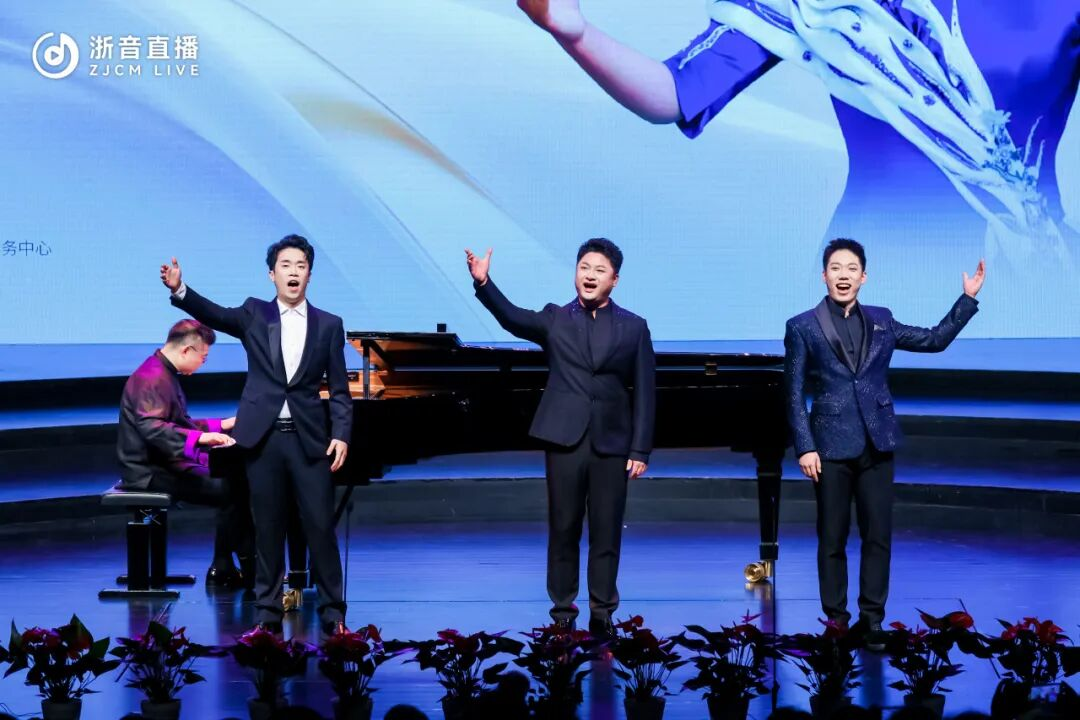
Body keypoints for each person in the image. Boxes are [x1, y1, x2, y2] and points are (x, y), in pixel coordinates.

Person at [784, 238, 985, 646]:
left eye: (851, 269)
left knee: (878, 536)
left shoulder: (882, 320)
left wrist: (966, 300)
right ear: (824, 276)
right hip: (829, 447)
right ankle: (837, 622)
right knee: (832, 538)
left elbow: (933, 340)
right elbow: (792, 392)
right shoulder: (802, 326)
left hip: (878, 443)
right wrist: (805, 446)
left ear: (864, 276)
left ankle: (872, 619)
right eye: (836, 268)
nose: (843, 276)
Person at [160, 234, 352, 635]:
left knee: (320, 526)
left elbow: (339, 389)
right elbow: (215, 315)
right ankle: (267, 612)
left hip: (309, 439)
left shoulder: (330, 325)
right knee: (267, 527)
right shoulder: (254, 313)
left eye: (301, 266)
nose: (293, 272)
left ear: (310, 275)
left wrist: (342, 434)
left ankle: (333, 612)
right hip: (263, 439)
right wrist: (180, 289)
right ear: (272, 274)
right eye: (286, 265)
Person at [465, 238, 655, 637]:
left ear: (614, 280)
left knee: (606, 530)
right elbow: (511, 317)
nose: (590, 275)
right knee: (564, 527)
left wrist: (640, 448)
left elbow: (645, 391)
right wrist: (484, 283)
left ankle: (602, 610)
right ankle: (563, 610)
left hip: (612, 442)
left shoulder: (634, 327)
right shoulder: (555, 318)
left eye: (599, 270)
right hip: (564, 438)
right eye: (584, 267)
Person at [117, 318, 253, 585]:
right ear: (186, 350)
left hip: (160, 463)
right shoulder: (152, 378)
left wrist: (222, 425)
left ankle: (225, 564)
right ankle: (232, 567)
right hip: (147, 471)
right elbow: (153, 428)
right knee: (232, 488)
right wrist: (202, 437)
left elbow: (176, 422)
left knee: (234, 482)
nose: (203, 363)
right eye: (203, 357)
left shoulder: (162, 372)